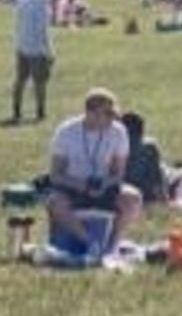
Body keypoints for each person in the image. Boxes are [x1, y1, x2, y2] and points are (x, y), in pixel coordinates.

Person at [45, 89, 143, 251]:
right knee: (55, 202)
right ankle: (90, 242)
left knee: (133, 198)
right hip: (73, 186)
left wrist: (105, 183)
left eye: (113, 115)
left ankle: (112, 243)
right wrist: (81, 185)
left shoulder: (118, 132)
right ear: (91, 113)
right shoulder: (66, 132)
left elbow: (119, 174)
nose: (111, 120)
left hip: (104, 185)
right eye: (107, 114)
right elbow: (56, 175)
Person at [9, 0, 54, 125]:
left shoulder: (23, 0)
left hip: (21, 46)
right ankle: (40, 111)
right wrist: (49, 52)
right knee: (40, 82)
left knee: (20, 80)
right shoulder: (41, 4)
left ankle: (16, 109)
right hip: (36, 49)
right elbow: (43, 30)